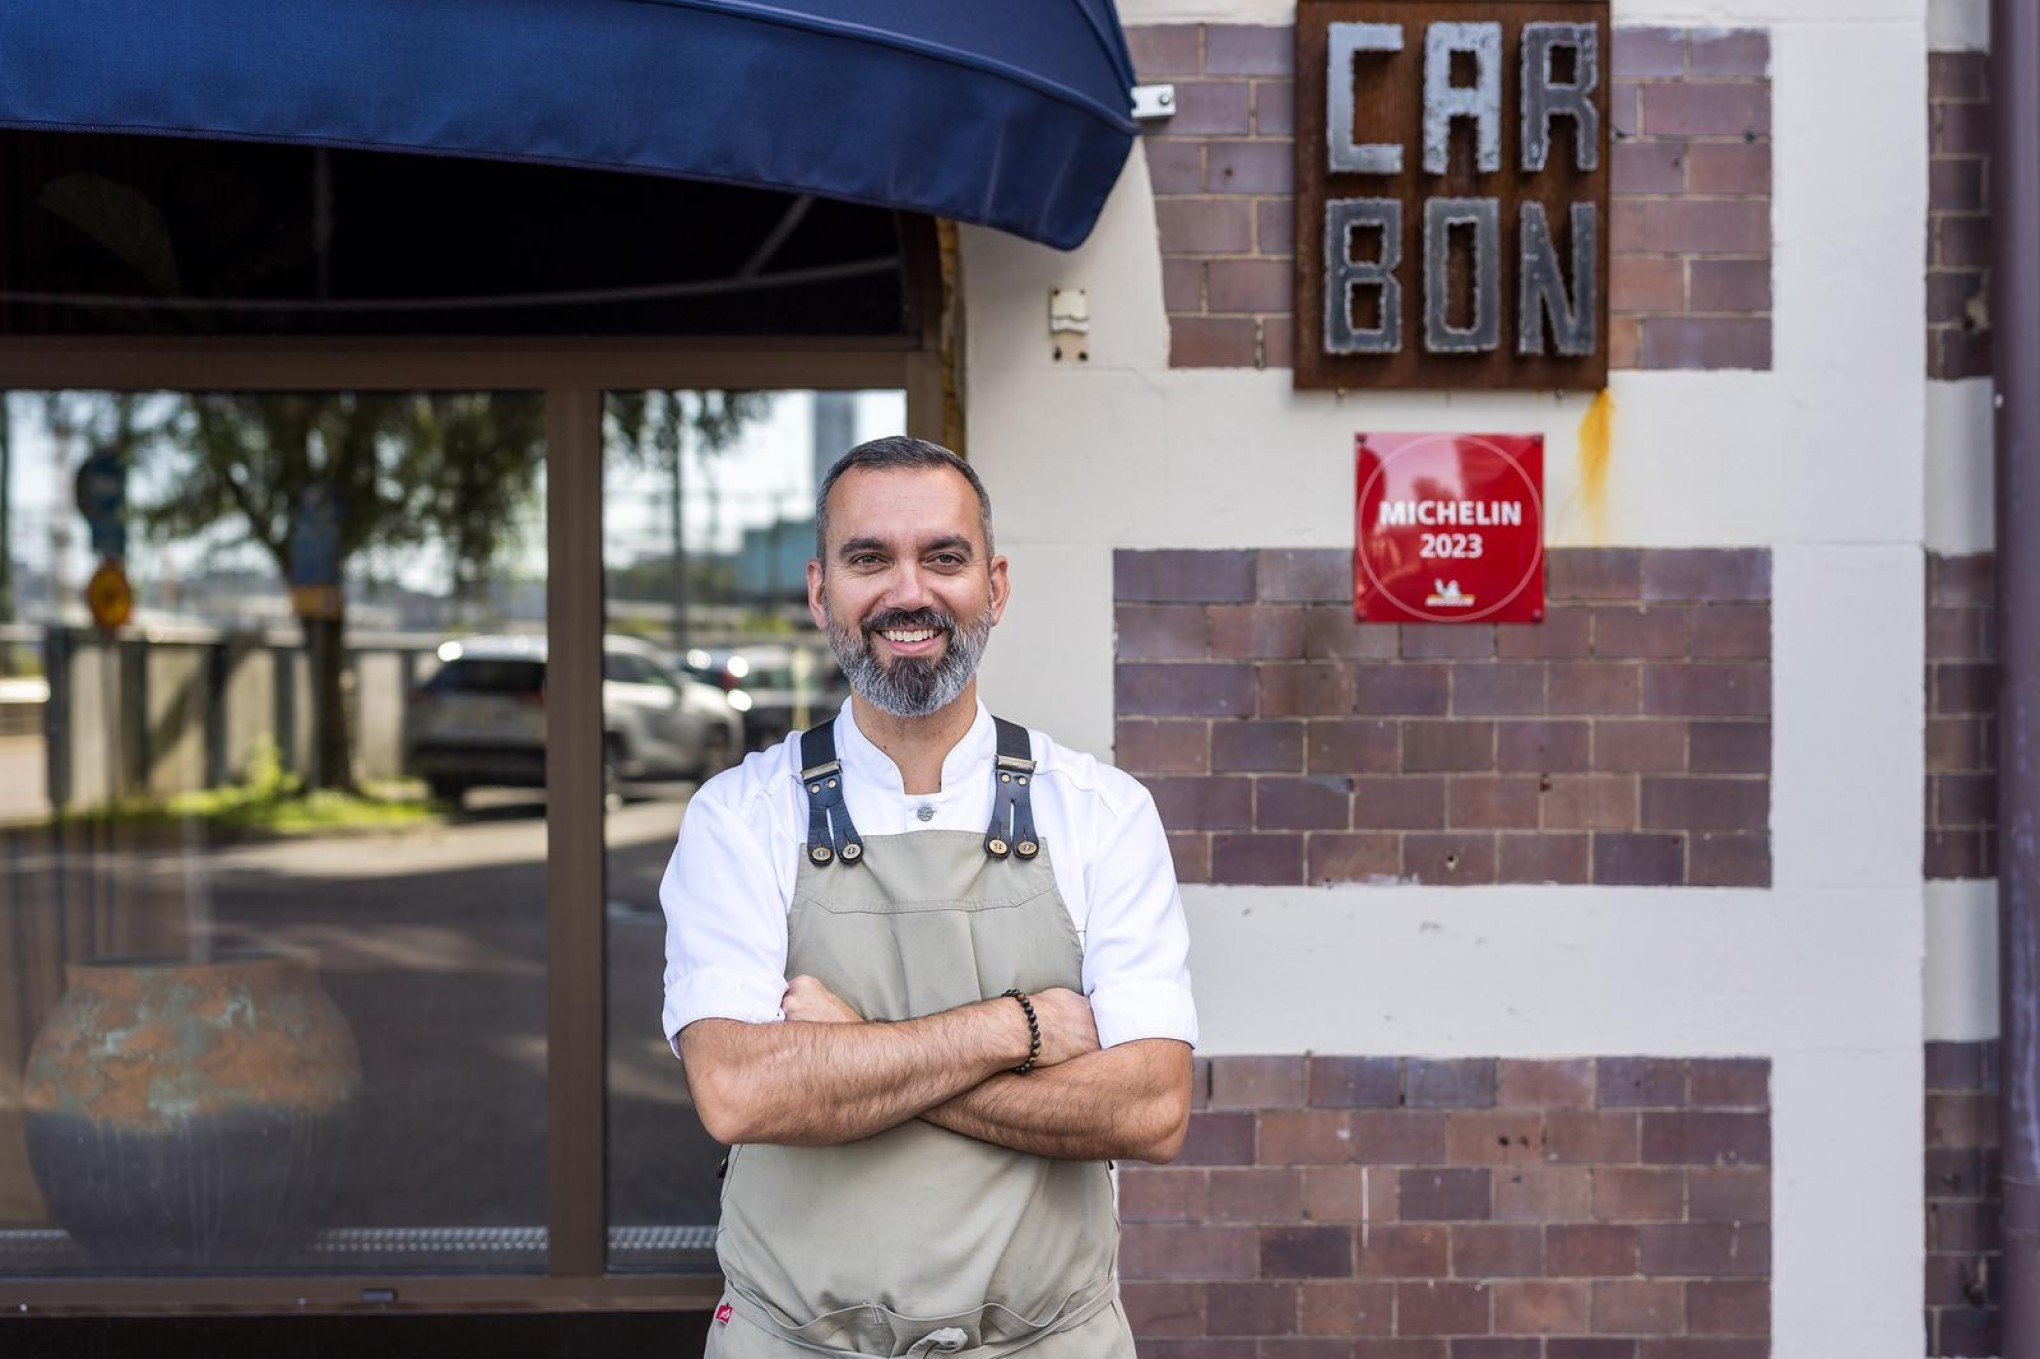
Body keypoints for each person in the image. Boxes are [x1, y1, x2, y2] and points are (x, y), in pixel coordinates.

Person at [661, 435, 1198, 1359]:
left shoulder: (1103, 811)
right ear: (821, 591)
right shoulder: (739, 816)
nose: (908, 592)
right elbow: (739, 1090)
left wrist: (848, 1054)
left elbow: (1150, 1107)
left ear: (995, 586)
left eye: (942, 557)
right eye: (870, 558)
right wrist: (1018, 1030)